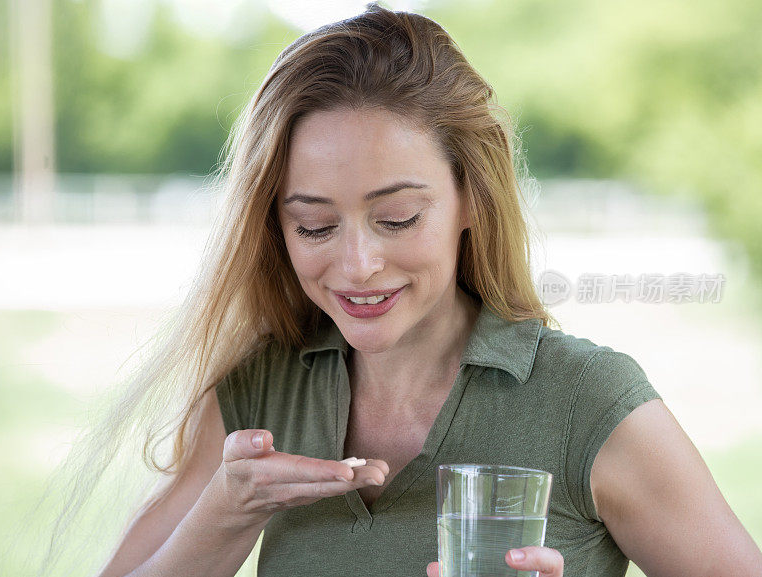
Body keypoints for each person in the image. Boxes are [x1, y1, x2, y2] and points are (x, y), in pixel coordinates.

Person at [48, 4, 760, 577]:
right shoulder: (259, 397)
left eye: (397, 218)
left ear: (472, 198)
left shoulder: (587, 401)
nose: (357, 264)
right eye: (315, 224)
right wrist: (223, 515)